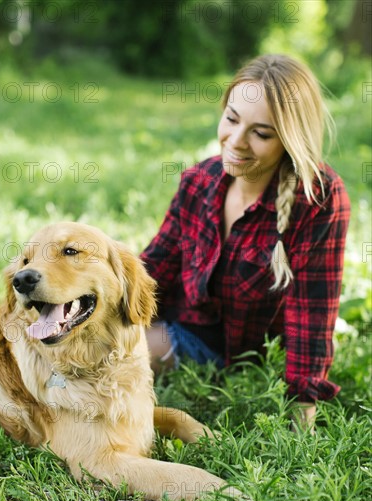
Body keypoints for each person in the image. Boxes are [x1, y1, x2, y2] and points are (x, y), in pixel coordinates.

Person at [140, 54, 350, 430]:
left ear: (289, 139)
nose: (235, 142)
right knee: (89, 341)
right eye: (232, 119)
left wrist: (303, 404)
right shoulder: (199, 181)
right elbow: (156, 265)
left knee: (116, 354)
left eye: (262, 133)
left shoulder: (318, 198)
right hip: (182, 319)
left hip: (239, 349)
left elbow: (312, 309)